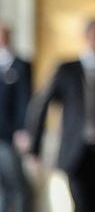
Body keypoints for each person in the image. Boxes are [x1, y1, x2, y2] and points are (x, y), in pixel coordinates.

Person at [28, 19, 95, 212]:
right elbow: (41, 103)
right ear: (85, 37)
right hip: (75, 151)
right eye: (93, 35)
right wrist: (34, 146)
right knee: (82, 204)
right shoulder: (67, 69)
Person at [0, 21, 31, 212]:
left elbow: (25, 100)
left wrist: (23, 129)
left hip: (10, 136)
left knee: (16, 185)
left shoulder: (21, 65)